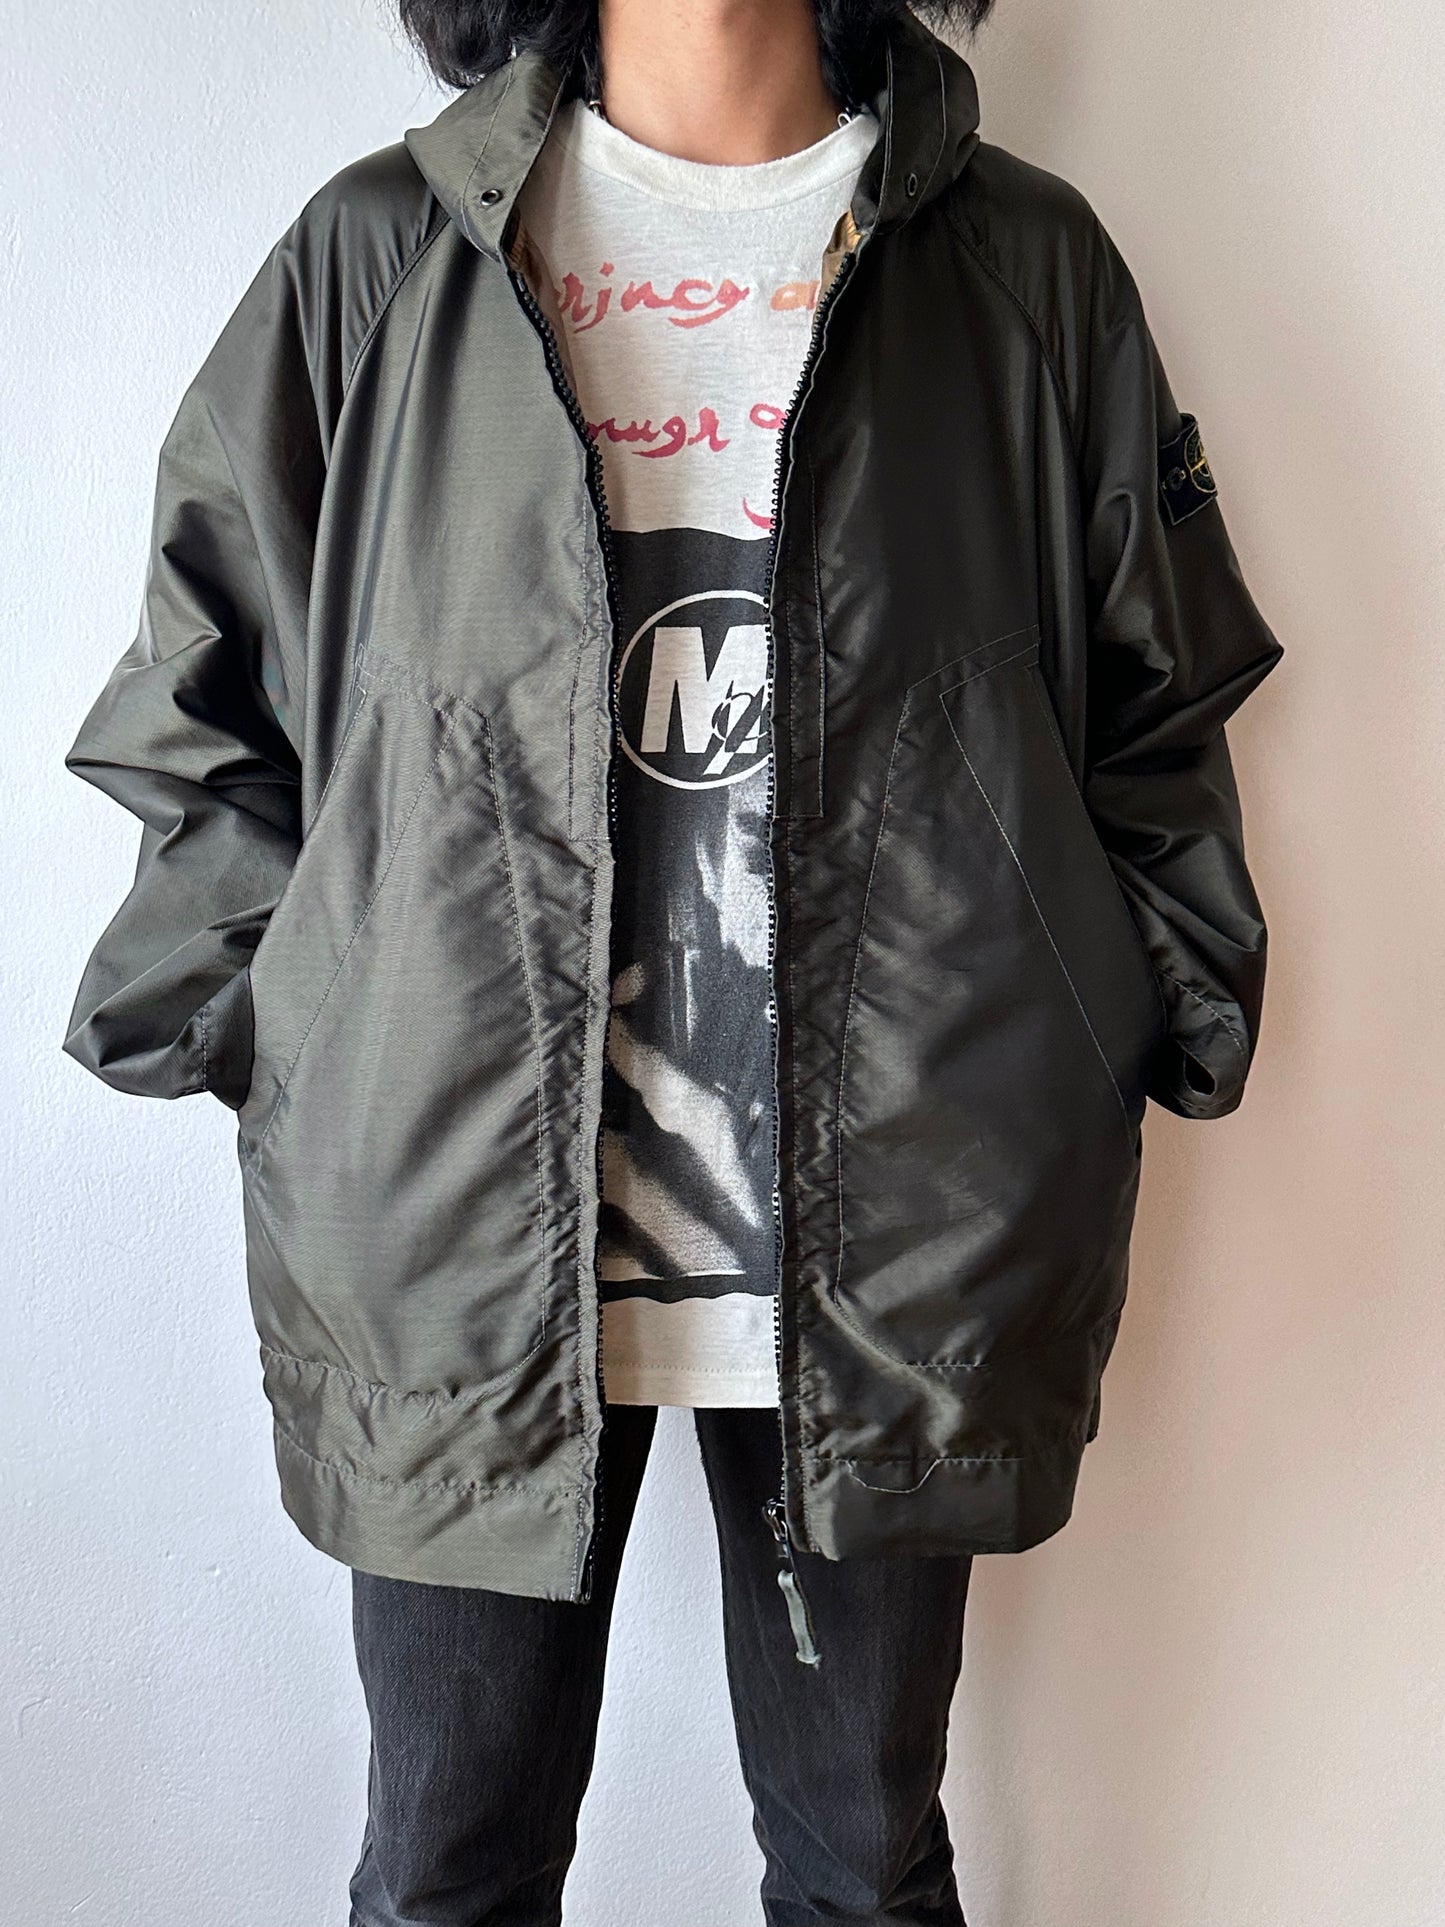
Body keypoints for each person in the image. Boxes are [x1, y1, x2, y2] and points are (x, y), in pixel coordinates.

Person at [58, 0, 1284, 1919]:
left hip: (902, 1232)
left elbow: (1158, 703)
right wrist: (294, 1022)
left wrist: (1127, 1018)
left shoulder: (1018, 265)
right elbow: (205, 696)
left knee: (862, 1871)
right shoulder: (383, 255)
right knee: (446, 1872)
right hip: (461, 1231)